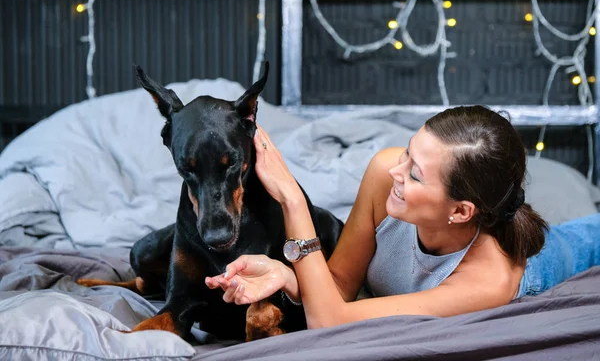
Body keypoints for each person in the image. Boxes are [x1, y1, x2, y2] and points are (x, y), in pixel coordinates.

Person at [205, 105, 600, 329]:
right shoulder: (385, 171)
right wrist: (287, 278)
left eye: (415, 173)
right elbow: (340, 285)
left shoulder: (490, 279)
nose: (397, 169)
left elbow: (331, 320)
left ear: (461, 211)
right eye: (408, 152)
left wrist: (292, 199)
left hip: (566, 255)